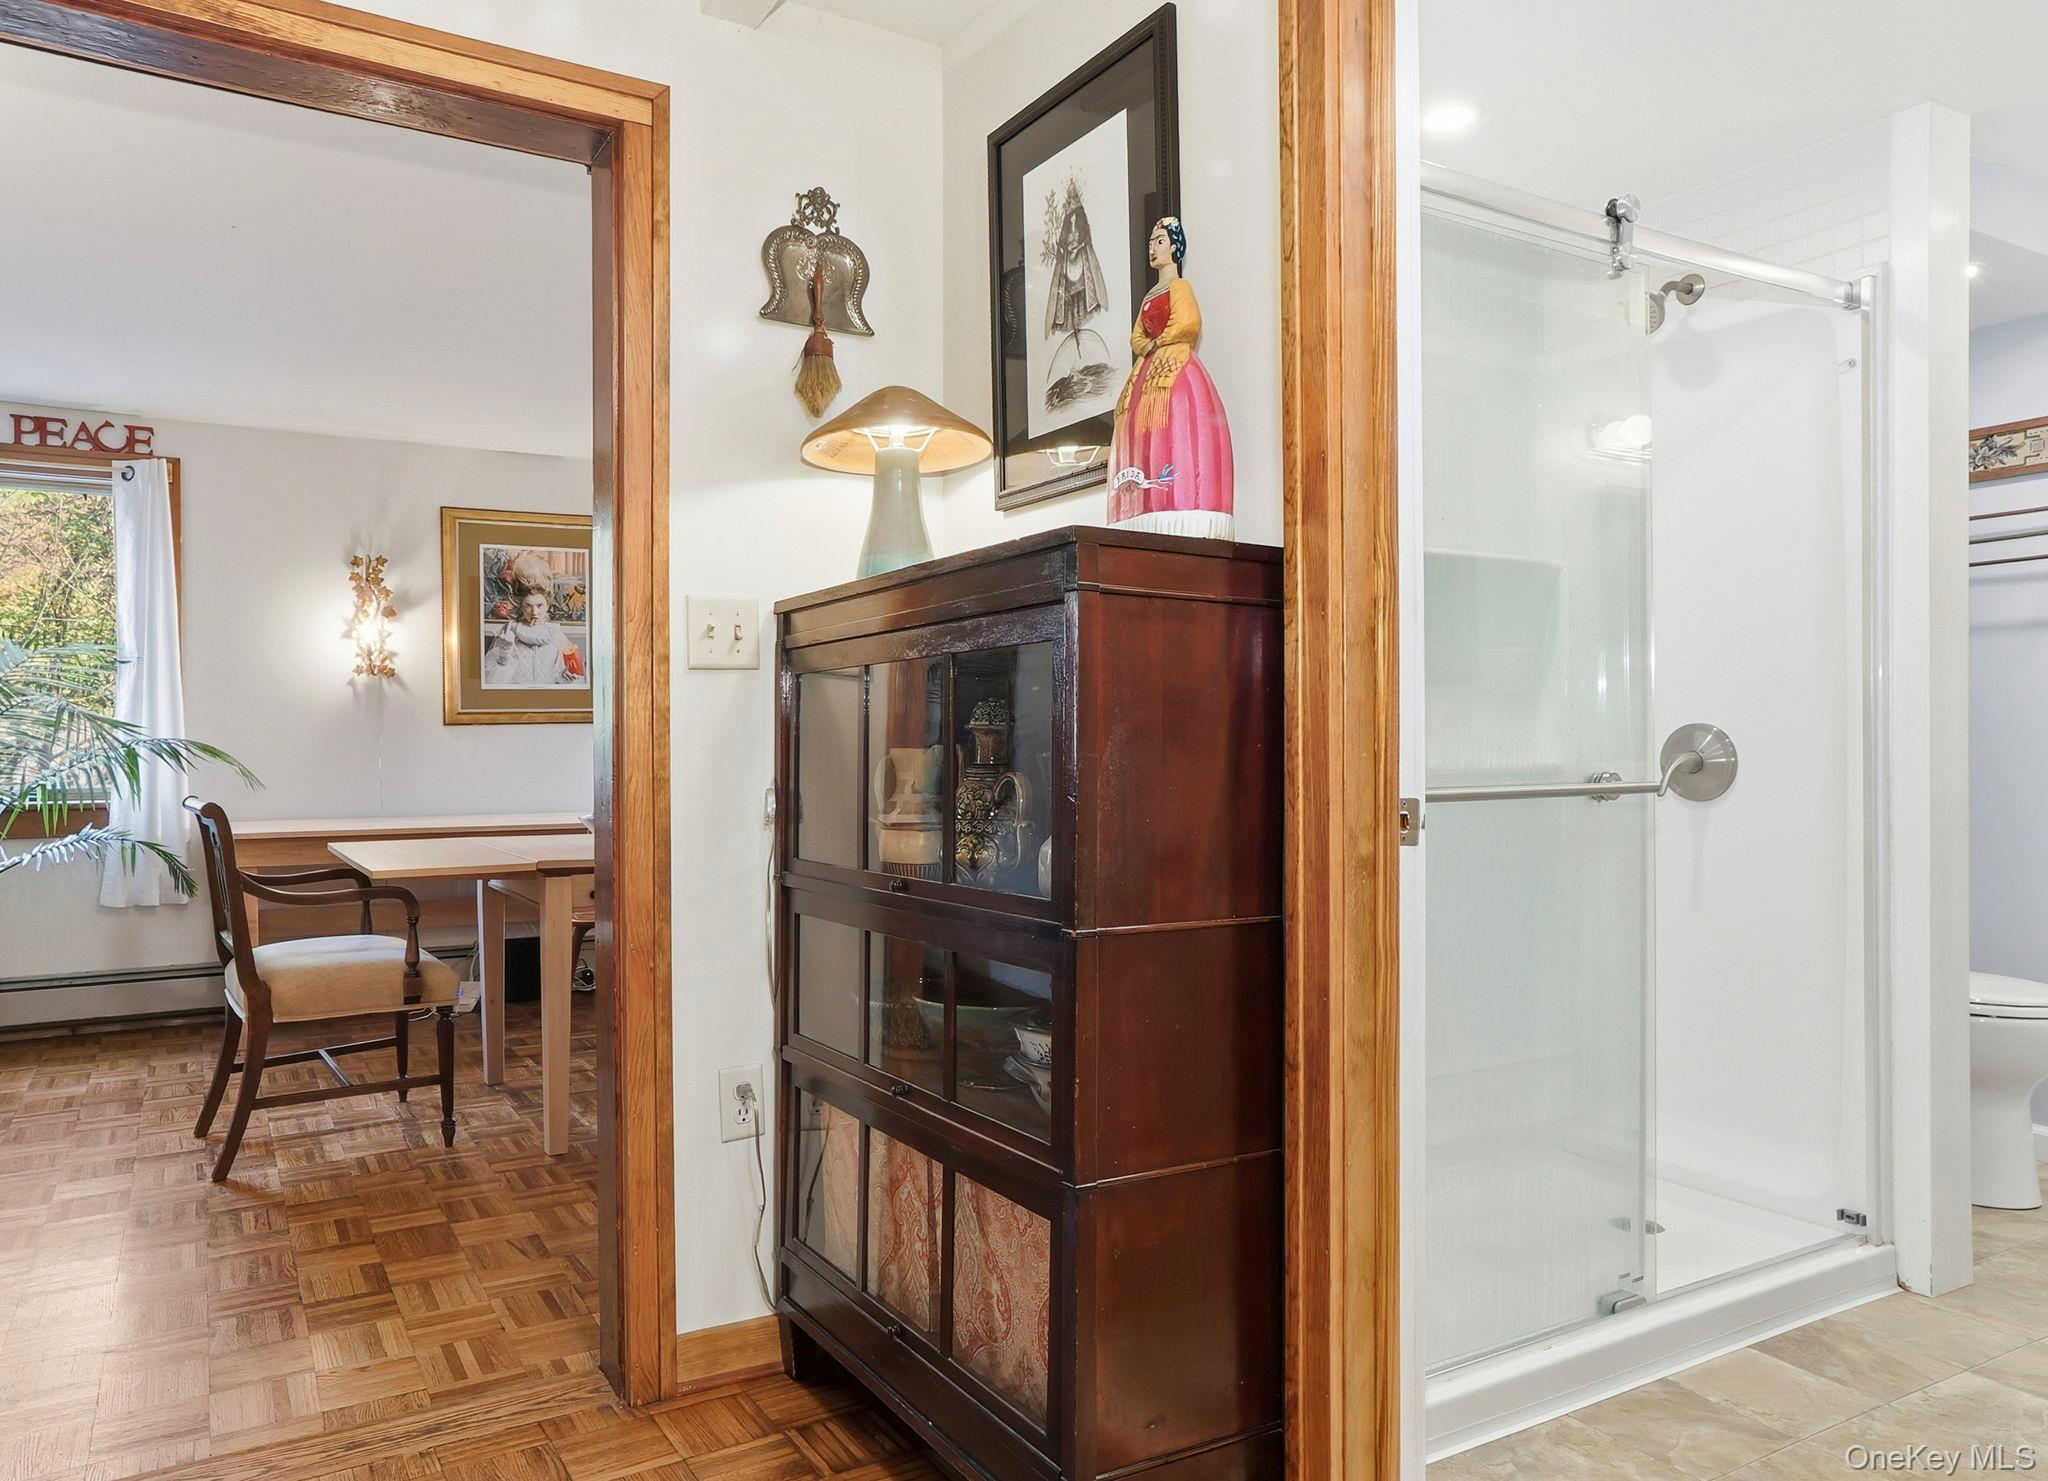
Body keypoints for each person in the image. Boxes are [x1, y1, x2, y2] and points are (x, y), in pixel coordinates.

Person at [1107, 216, 1236, 540]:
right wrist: (1148, 345)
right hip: (1147, 368)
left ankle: (1178, 499)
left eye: (1160, 241)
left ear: (1175, 247)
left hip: (1173, 366)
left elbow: (1187, 322)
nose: (1153, 249)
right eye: (1151, 243)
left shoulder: (1179, 288)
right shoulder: (1151, 294)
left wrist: (1160, 342)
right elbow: (1136, 336)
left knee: (1176, 421)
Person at [485, 587, 584, 687]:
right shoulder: (511, 630)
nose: (534, 612)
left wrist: (566, 678)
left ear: (547, 606)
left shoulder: (554, 633)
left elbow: (561, 677)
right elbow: (493, 681)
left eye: (539, 605)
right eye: (528, 606)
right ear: (522, 608)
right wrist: (504, 657)